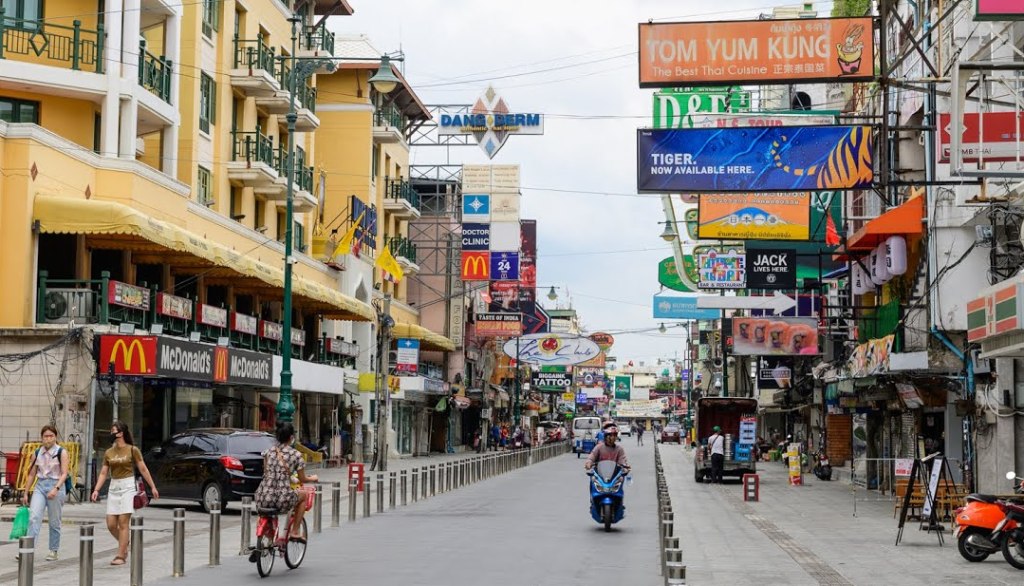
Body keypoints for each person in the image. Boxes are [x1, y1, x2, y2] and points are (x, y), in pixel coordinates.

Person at [90, 421, 159, 566]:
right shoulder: (109, 452)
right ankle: (125, 541)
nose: (111, 434)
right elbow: (103, 473)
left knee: (123, 522)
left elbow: (143, 469)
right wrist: (96, 489)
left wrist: (152, 487)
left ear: (121, 433)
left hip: (128, 485)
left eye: (113, 431)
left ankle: (121, 555)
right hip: (114, 486)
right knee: (111, 524)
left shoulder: (132, 450)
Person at [254, 423, 319, 543]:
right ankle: (294, 531)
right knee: (303, 495)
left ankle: (267, 538)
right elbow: (303, 479)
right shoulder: (296, 455)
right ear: (291, 437)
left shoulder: (268, 452)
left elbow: (268, 473)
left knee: (266, 507)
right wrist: (313, 478)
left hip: (262, 496)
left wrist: (290, 478)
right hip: (281, 498)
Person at [19, 425, 70, 562]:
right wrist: (25, 492)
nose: (48, 439)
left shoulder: (62, 452)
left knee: (54, 521)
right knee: (33, 517)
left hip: (56, 485)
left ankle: (53, 550)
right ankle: (28, 549)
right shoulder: (37, 453)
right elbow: (31, 474)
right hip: (40, 486)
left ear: (55, 437)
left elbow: (65, 473)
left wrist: (56, 488)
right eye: (45, 436)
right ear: (42, 438)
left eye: (51, 436)